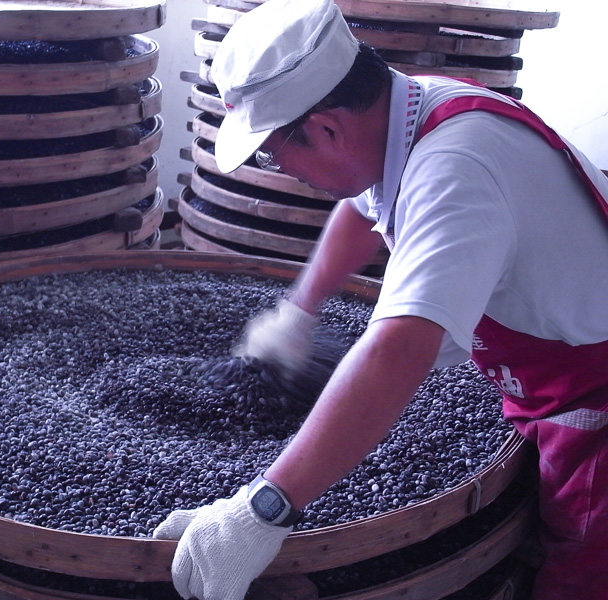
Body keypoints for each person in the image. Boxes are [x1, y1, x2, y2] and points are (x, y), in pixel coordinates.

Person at [151, 0, 608, 598]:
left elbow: (395, 353)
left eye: (270, 153)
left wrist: (262, 510)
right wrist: (300, 309)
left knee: (581, 561)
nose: (280, 170)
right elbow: (365, 206)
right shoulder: (411, 108)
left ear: (326, 128)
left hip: (593, 392)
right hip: (551, 362)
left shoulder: (454, 172)